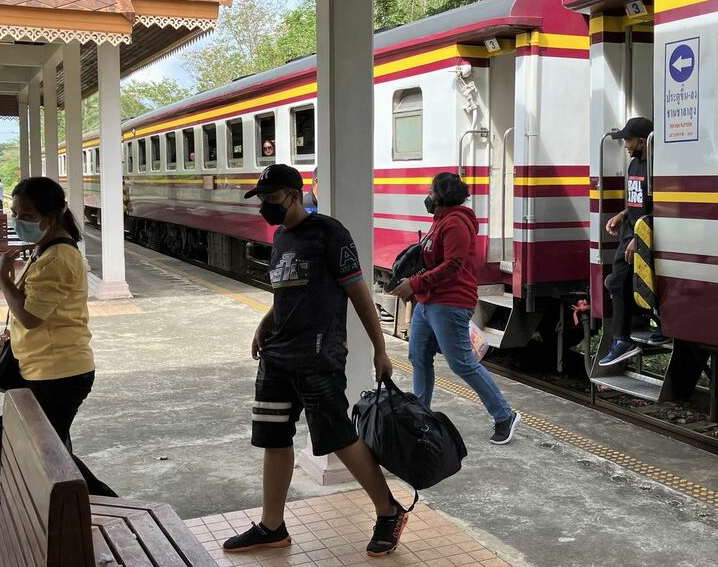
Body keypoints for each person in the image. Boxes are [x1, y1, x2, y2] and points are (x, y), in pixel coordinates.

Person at [222, 164, 408, 558]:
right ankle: (272, 527)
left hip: (319, 356)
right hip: (278, 357)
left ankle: (389, 511)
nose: (265, 208)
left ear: (293, 194)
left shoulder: (329, 232)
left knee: (337, 438)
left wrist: (379, 348)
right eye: (262, 200)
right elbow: (287, 293)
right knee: (273, 439)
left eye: (271, 199)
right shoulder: (281, 238)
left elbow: (358, 291)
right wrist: (264, 324)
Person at [0, 176, 116, 496]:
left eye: (26, 216)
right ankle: (88, 510)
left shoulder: (57, 258)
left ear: (50, 218)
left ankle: (109, 506)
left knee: (48, 454)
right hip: (44, 367)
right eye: (15, 213)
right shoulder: (46, 250)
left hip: (58, 372)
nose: (17, 221)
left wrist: (3, 280)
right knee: (52, 449)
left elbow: (31, 318)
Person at [388, 173, 520, 445]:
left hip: (450, 302)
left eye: (430, 191)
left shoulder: (456, 224)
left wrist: (414, 283)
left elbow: (452, 267)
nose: (427, 195)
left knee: (462, 363)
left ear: (440, 196)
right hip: (429, 302)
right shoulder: (442, 220)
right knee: (418, 356)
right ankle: (421, 414)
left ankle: (504, 415)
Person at [598, 117, 664, 368]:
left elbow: (658, 205)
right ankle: (623, 339)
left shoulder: (655, 167)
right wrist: (622, 214)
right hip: (630, 233)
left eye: (628, 139)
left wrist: (640, 239)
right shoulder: (635, 165)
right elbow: (637, 201)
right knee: (619, 282)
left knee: (642, 282)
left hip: (643, 236)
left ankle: (631, 336)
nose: (625, 144)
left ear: (642, 140)